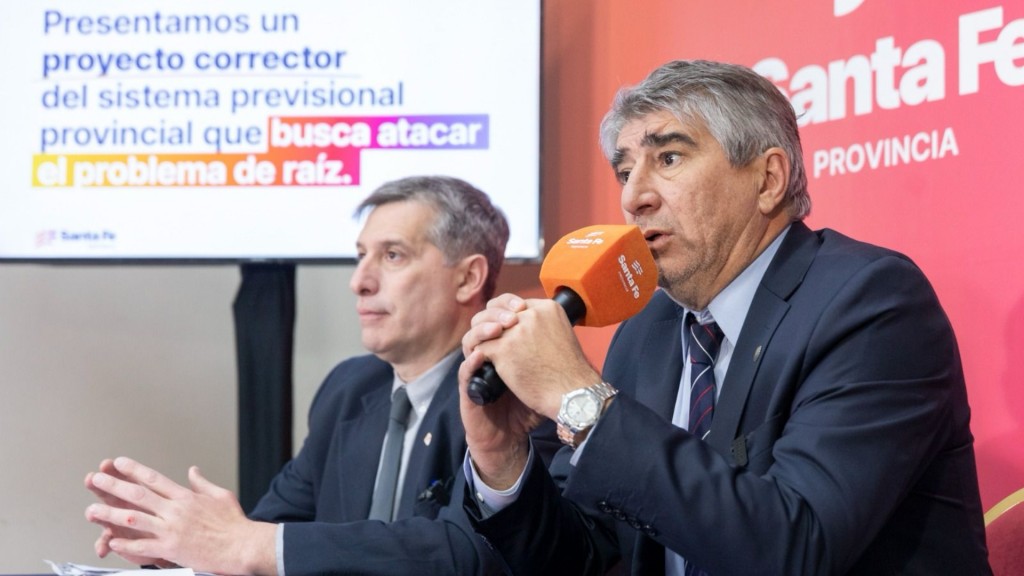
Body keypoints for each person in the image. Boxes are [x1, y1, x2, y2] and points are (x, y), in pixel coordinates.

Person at [458, 60, 991, 575]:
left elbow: (797, 547)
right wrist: (502, 460)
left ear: (768, 179)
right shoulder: (645, 332)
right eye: (624, 171)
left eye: (668, 158)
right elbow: (586, 553)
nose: (633, 197)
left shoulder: (871, 304)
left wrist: (583, 402)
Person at [84, 175, 559, 575]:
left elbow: (473, 552)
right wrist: (185, 549)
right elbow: (271, 531)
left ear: (468, 278)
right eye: (360, 256)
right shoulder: (349, 390)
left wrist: (245, 545)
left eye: (392, 255)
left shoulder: (513, 392)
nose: (359, 281)